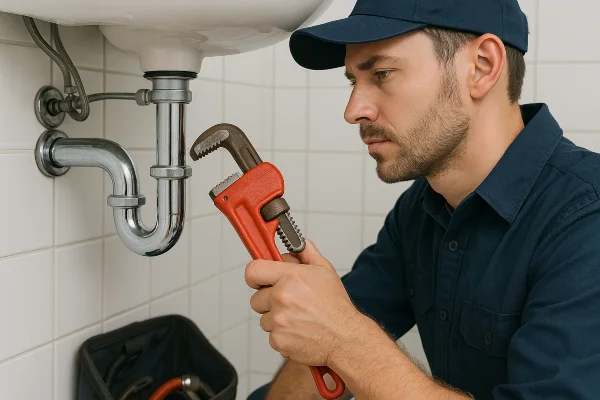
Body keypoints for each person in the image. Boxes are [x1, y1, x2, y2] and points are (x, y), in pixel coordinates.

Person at [245, 0, 600, 399]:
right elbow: (329, 326)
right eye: (353, 81)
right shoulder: (424, 206)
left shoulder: (586, 219)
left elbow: (341, 331)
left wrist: (345, 339)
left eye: (382, 73)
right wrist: (325, 324)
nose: (353, 110)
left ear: (482, 66)